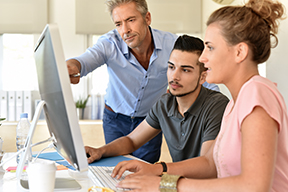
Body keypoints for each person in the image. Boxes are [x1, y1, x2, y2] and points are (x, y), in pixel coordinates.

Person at [112, 0, 288, 191]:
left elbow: (254, 186)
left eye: (210, 47)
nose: (203, 58)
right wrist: (157, 170)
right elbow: (210, 164)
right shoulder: (236, 104)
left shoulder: (256, 94)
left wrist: (165, 185)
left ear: (240, 52)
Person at [67, 0, 219, 163]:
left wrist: (221, 111)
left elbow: (205, 77)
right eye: (118, 24)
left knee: (144, 167)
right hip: (115, 118)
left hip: (149, 120)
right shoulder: (109, 43)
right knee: (114, 167)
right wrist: (72, 66)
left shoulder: (172, 45)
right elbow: (84, 61)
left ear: (147, 18)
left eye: (131, 20)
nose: (125, 30)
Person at [85, 35, 229, 164]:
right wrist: (100, 151)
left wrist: (158, 171)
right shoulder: (165, 104)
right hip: (178, 182)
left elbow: (205, 166)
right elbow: (132, 141)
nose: (174, 76)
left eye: (185, 70)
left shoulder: (217, 105)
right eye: (171, 67)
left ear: (203, 77)